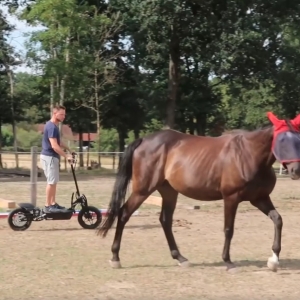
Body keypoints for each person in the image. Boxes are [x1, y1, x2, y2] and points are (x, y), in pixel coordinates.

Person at [40, 105, 72, 213]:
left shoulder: (53, 126)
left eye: (64, 114)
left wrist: (69, 149)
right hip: (49, 157)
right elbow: (54, 146)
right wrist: (66, 156)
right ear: (55, 114)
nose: (64, 116)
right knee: (51, 181)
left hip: (51, 157)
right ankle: (48, 205)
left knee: (53, 182)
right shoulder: (51, 127)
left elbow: (59, 142)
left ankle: (53, 203)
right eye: (61, 114)